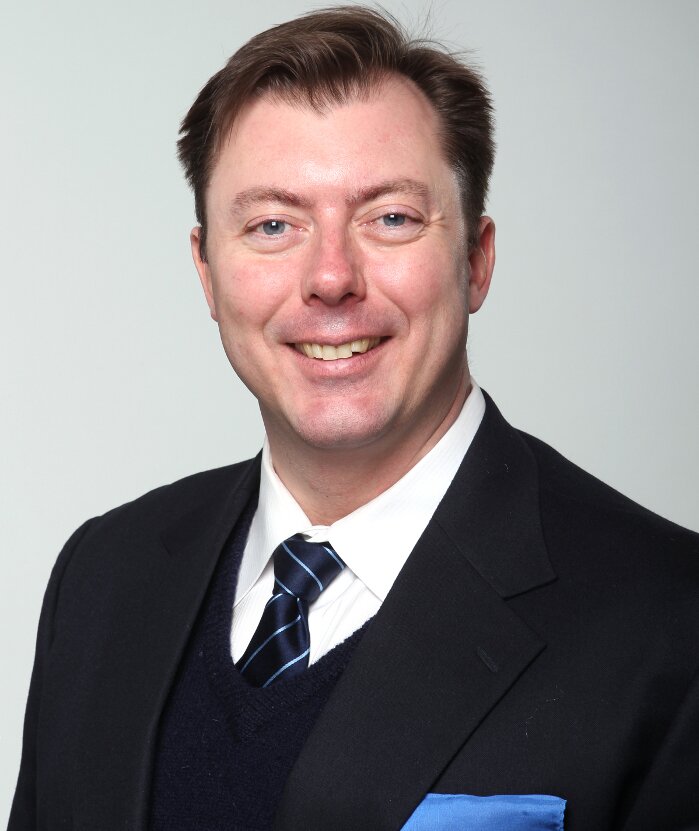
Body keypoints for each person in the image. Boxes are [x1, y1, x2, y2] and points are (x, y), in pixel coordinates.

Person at [9, 6, 699, 831]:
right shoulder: (102, 577)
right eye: (273, 224)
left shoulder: (669, 620)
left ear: (476, 259)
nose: (330, 277)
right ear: (207, 271)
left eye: (390, 218)